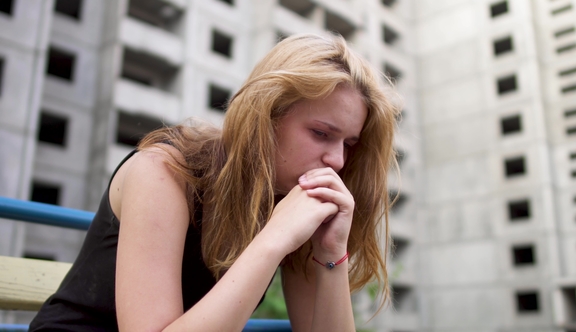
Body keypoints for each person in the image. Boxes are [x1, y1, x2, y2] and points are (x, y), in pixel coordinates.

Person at [29, 33, 400, 332]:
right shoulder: (166, 170)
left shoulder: (289, 199)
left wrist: (332, 252)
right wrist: (273, 239)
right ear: (265, 115)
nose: (337, 160)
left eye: (349, 144)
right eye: (321, 133)